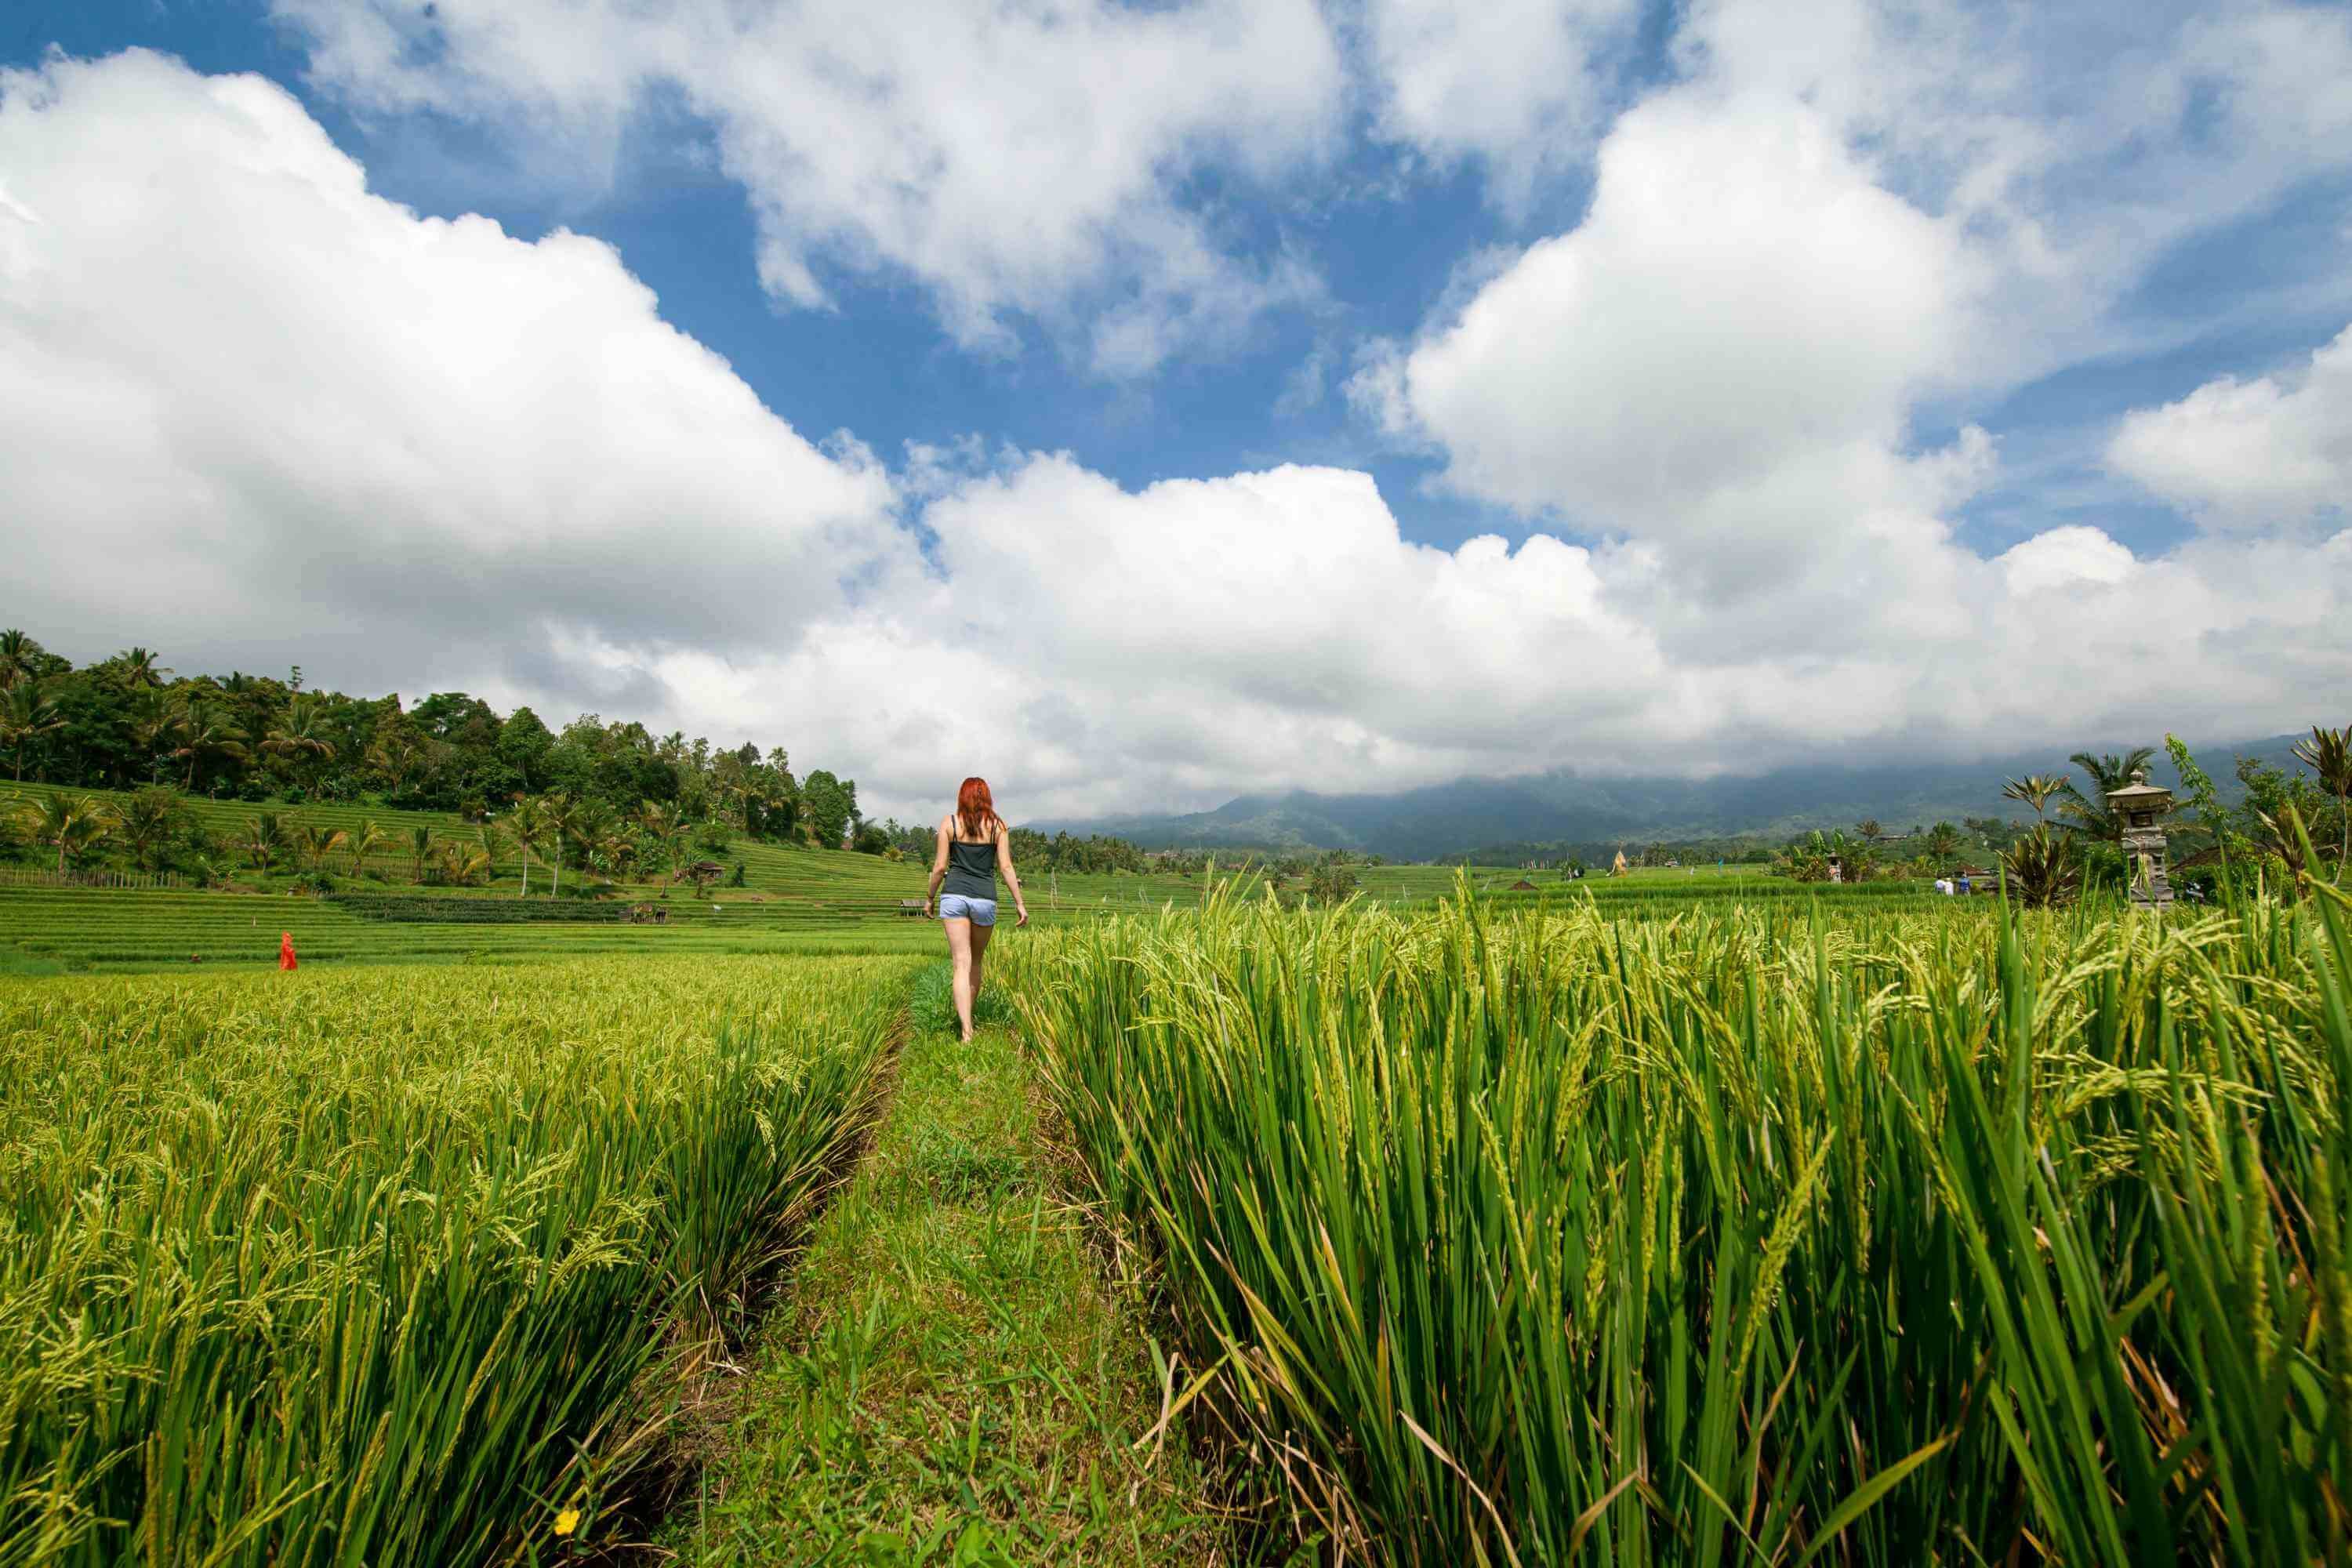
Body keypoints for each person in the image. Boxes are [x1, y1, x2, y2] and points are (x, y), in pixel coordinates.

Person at [924, 776, 1029, 1044]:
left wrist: (929, 898)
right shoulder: (998, 826)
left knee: (961, 963)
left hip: (954, 896)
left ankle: (966, 1030)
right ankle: (969, 1022)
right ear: (988, 798)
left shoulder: (950, 823)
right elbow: (1006, 867)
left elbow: (939, 867)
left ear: (962, 796)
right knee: (976, 963)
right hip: (985, 899)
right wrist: (1019, 903)